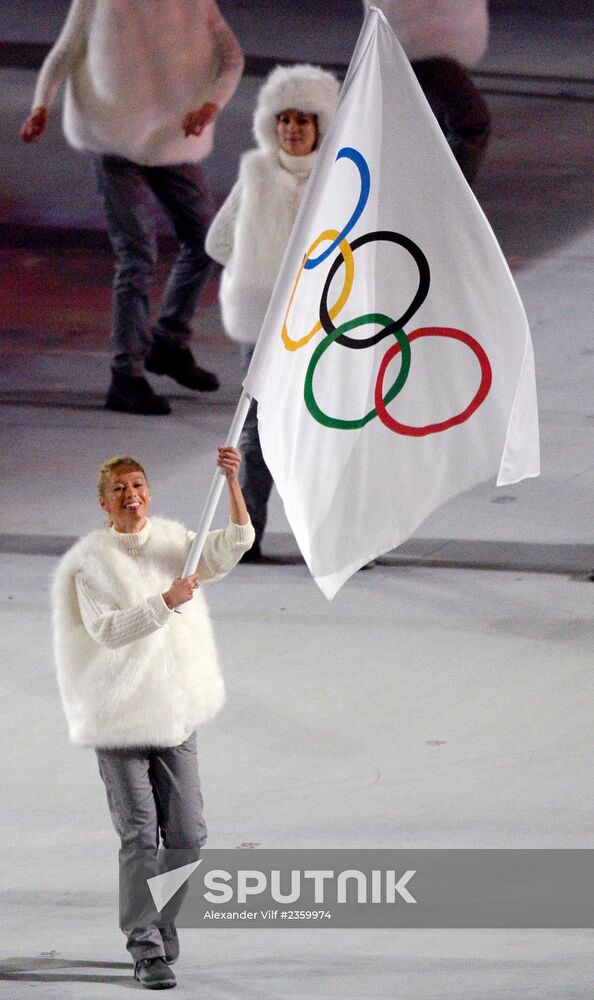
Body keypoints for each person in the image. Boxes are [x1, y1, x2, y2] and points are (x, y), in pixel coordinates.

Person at [51, 447, 254, 989]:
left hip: (172, 713)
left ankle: (162, 918)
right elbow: (109, 632)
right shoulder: (92, 562)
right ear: (104, 502)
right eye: (120, 489)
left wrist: (232, 483)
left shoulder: (171, 543)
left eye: (138, 485)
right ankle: (145, 949)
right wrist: (166, 601)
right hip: (119, 720)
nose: (132, 495)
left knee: (188, 834)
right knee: (140, 836)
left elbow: (232, 545)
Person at [20, 0, 244, 416]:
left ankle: (168, 343)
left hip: (171, 143)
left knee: (208, 242)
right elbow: (65, 51)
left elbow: (231, 56)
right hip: (115, 143)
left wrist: (211, 104)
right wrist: (40, 106)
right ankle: (126, 376)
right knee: (137, 256)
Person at [205, 64, 340, 560]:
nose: (292, 129)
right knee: (259, 430)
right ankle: (248, 534)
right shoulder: (256, 172)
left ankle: (331, 537)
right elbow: (218, 241)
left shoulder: (339, 177)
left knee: (322, 428)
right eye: (285, 119)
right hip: (263, 324)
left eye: (303, 120)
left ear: (321, 125)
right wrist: (259, 270)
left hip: (324, 325)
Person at [362, 0, 491, 184]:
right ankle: (443, 198)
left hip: (423, 33)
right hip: (424, 37)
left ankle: (428, 196)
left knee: (434, 125)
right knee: (471, 123)